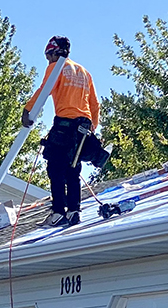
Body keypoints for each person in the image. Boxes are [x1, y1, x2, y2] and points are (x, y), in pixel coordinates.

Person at [21, 36, 108, 228]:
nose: (48, 61)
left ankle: (59, 212)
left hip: (65, 124)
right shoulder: (84, 72)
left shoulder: (57, 66)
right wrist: (92, 128)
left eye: (48, 56)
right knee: (73, 169)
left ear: (54, 52)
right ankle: (75, 212)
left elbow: (45, 89)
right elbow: (95, 104)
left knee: (56, 167)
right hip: (83, 126)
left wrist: (28, 110)